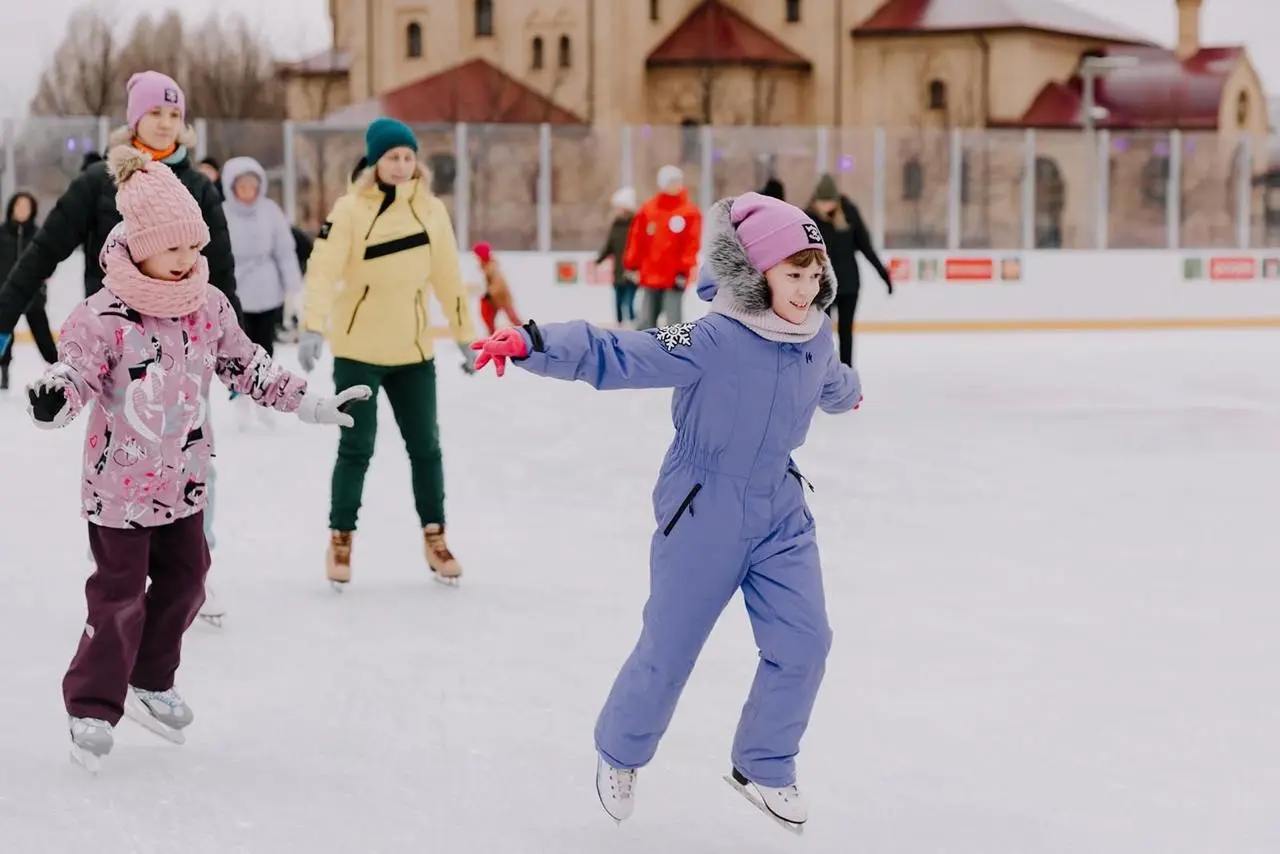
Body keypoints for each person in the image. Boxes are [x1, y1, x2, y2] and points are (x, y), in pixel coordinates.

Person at [471, 192, 863, 830]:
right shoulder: (713, 336)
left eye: (815, 273)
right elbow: (621, 352)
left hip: (780, 509)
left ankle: (764, 763)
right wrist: (532, 343)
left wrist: (852, 394)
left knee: (806, 640)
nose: (808, 286)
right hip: (703, 505)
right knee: (671, 646)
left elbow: (831, 380)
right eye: (794, 273)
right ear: (756, 273)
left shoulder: (814, 337)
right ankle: (619, 751)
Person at [23, 146, 368, 772]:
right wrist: (55, 398)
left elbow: (248, 366)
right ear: (140, 244)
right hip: (119, 490)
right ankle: (92, 706)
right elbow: (73, 372)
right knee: (118, 597)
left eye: (194, 247)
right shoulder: (103, 316)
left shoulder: (206, 306)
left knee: (188, 579)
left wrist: (310, 404)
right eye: (175, 248)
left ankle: (152, 679)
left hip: (183, 480)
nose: (189, 260)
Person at [299, 117, 477, 589]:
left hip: (413, 353)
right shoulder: (350, 210)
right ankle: (341, 537)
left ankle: (435, 536)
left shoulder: (432, 211)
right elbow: (322, 270)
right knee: (356, 448)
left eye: (407, 156)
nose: (401, 165)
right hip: (358, 351)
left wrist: (465, 335)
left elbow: (448, 277)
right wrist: (312, 325)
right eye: (392, 157)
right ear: (375, 161)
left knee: (426, 448)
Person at [0, 71, 237, 314]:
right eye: (155, 112)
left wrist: (238, 341)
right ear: (135, 119)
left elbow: (221, 272)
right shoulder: (99, 180)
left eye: (175, 115)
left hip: (181, 337)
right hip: (111, 330)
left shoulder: (199, 187)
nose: (166, 123)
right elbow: (44, 251)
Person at [805, 174, 892, 366]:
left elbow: (866, 247)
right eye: (822, 201)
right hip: (822, 288)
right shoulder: (808, 219)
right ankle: (822, 371)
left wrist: (884, 275)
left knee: (846, 332)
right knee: (821, 333)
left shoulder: (850, 213)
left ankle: (846, 373)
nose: (826, 206)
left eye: (829, 201)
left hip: (848, 286)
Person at [625, 165, 700, 329]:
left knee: (674, 324)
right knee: (645, 321)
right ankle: (642, 353)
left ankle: (675, 354)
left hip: (674, 277)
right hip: (650, 275)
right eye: (671, 182)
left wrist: (683, 270)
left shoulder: (689, 212)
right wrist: (632, 265)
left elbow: (691, 244)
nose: (675, 185)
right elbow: (637, 239)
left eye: (677, 181)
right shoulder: (648, 210)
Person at [0, 192, 57, 390]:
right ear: (11, 208)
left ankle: (58, 370)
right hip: (7, 295)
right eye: (18, 206)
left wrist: (42, 281)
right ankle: (4, 372)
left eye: (26, 206)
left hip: (33, 295)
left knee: (43, 336)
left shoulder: (39, 235)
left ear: (32, 210)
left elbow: (50, 260)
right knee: (4, 334)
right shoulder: (1, 233)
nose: (22, 210)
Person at [596, 186, 637, 327]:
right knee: (618, 302)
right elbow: (610, 246)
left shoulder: (637, 225)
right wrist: (599, 260)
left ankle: (633, 327)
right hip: (619, 270)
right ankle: (620, 327)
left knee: (630, 302)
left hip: (632, 271)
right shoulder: (616, 225)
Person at [473, 242, 521, 335]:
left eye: (477, 255)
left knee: (513, 318)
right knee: (490, 320)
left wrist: (489, 293)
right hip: (495, 298)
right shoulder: (487, 265)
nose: (476, 258)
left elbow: (499, 283)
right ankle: (492, 337)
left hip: (501, 297)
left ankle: (527, 334)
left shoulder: (491, 267)